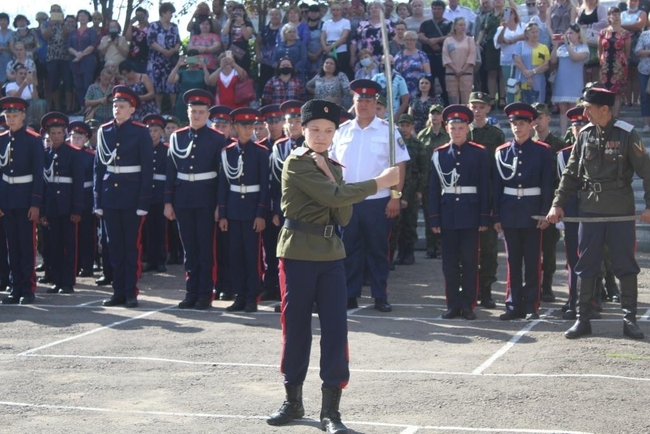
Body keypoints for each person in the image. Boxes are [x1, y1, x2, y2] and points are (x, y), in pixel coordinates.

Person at [266, 98, 399, 432]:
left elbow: (342, 213)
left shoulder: (335, 166)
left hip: (330, 255)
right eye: (315, 130)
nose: (321, 136)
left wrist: (338, 183)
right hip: (297, 253)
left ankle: (331, 412)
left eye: (328, 131)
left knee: (336, 332)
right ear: (302, 129)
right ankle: (293, 401)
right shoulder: (296, 162)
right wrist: (379, 182)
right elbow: (337, 199)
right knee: (296, 329)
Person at [547, 85, 650, 340]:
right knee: (586, 266)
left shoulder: (628, 134)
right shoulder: (584, 134)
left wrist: (649, 205)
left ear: (604, 109)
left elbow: (647, 172)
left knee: (625, 266)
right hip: (590, 210)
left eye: (589, 109)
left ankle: (629, 320)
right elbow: (570, 173)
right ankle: (583, 319)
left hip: (619, 212)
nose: (586, 113)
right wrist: (557, 203)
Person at [330, 79, 409, 312]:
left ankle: (379, 295)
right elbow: (332, 166)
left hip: (378, 201)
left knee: (378, 250)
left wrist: (395, 196)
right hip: (348, 200)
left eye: (368, 100)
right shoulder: (341, 132)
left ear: (376, 103)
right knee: (348, 249)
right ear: (352, 103)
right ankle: (350, 294)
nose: (363, 105)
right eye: (359, 100)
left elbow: (399, 166)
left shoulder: (389, 130)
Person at [164, 90, 226, 310]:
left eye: (201, 112)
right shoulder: (177, 137)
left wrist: (220, 206)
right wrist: (168, 201)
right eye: (193, 111)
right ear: (187, 112)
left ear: (208, 113)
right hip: (183, 199)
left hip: (206, 199)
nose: (197, 115)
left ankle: (204, 293)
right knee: (189, 249)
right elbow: (170, 171)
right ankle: (191, 292)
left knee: (205, 248)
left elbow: (222, 176)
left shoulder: (218, 138)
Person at [94, 85, 154, 308]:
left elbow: (147, 170)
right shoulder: (104, 131)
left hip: (131, 196)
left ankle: (130, 292)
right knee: (113, 246)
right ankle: (117, 291)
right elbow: (99, 168)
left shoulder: (140, 132)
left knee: (131, 246)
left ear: (132, 110)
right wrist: (97, 200)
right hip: (110, 196)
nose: (117, 109)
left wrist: (143, 201)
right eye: (115, 106)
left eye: (122, 106)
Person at [494, 103, 553, 320]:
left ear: (531, 124)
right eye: (514, 124)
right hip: (510, 211)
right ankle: (513, 304)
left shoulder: (542, 151)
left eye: (522, 123)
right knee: (513, 260)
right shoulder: (502, 152)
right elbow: (497, 186)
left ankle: (531, 304)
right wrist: (496, 215)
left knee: (532, 260)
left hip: (532, 212)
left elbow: (548, 185)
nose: (517, 128)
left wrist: (545, 212)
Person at [429, 105, 489, 320]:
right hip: (447, 215)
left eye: (460, 128)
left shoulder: (479, 153)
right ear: (447, 128)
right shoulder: (439, 154)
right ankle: (452, 304)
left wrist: (484, 217)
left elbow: (485, 186)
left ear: (467, 128)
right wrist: (434, 217)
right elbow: (434, 188)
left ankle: (468, 304)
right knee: (450, 263)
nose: (456, 132)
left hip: (471, 213)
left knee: (471, 262)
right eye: (453, 128)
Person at [217, 108, 270, 313]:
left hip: (252, 210)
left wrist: (260, 214)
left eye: (251, 125)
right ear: (236, 128)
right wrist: (222, 213)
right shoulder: (228, 152)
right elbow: (223, 184)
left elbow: (265, 186)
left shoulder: (261, 152)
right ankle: (239, 295)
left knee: (251, 256)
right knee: (235, 255)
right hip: (233, 209)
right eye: (243, 126)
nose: (248, 129)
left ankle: (251, 296)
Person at [0, 97, 44, 305]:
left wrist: (35, 203)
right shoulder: (1, 139)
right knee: (11, 246)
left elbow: (38, 173)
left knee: (26, 247)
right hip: (6, 200)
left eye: (15, 115)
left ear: (24, 116)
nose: (11, 119)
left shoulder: (33, 139)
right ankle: (15, 286)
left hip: (26, 200)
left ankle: (27, 288)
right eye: (8, 116)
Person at [467, 91, 505, 308]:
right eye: (474, 106)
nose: (477, 110)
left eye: (481, 106)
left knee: (489, 249)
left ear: (488, 109)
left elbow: (498, 170)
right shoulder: (463, 132)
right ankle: (470, 288)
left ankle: (487, 290)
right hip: (467, 198)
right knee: (468, 248)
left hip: (488, 196)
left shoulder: (496, 135)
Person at [40, 112, 84, 295]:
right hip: (51, 207)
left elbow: (78, 183)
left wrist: (76, 208)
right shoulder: (45, 155)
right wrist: (42, 210)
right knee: (53, 245)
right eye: (53, 133)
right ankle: (57, 280)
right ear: (48, 135)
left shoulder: (73, 154)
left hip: (67, 206)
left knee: (69, 245)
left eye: (59, 133)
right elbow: (42, 184)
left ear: (64, 134)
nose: (56, 136)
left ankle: (68, 282)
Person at [531, 102, 566, 304]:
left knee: (550, 247)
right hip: (532, 202)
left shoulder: (558, 145)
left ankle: (547, 286)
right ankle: (534, 284)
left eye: (540, 117)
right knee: (532, 247)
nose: (537, 122)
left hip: (552, 201)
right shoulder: (528, 142)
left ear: (548, 118)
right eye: (534, 118)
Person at [556, 106, 587, 320]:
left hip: (594, 209)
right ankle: (573, 299)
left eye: (582, 125)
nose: (578, 129)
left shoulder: (597, 150)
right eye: (575, 126)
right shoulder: (563, 155)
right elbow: (560, 184)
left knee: (591, 258)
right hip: (572, 210)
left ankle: (591, 300)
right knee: (572, 258)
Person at [258, 104, 285, 302]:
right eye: (270, 122)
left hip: (284, 206)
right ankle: (269, 285)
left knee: (284, 248)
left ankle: (282, 285)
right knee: (267, 248)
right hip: (263, 204)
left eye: (277, 121)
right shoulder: (260, 148)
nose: (274, 125)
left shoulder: (288, 146)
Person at [392, 113, 427, 266]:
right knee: (396, 224)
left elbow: (424, 170)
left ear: (412, 127)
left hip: (412, 188)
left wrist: (420, 190)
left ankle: (409, 252)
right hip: (397, 186)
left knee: (410, 223)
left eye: (407, 125)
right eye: (402, 125)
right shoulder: (394, 144)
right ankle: (399, 253)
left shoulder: (418, 145)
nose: (404, 128)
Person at [418, 104, 449, 259]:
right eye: (432, 114)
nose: (435, 116)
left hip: (446, 180)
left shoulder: (448, 135)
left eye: (438, 114)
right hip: (428, 180)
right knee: (430, 213)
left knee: (445, 213)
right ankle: (431, 248)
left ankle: (444, 247)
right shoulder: (422, 135)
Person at [68, 121, 96, 278]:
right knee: (70, 234)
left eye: (79, 137)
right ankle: (74, 264)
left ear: (86, 138)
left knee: (86, 233)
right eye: (73, 136)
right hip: (68, 196)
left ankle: (87, 265)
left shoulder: (91, 155)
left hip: (86, 197)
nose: (75, 139)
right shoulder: (66, 153)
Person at [550, 24, 589, 135]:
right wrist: (555, 46)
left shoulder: (583, 48)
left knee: (573, 109)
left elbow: (575, 57)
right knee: (563, 110)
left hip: (575, 82)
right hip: (562, 81)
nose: (568, 35)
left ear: (578, 35)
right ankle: (563, 134)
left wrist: (567, 44)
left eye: (571, 33)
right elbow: (553, 61)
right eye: (567, 33)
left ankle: (574, 134)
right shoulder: (562, 48)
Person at [142, 114, 168, 274]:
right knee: (147, 229)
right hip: (146, 194)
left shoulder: (166, 150)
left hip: (160, 193)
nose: (152, 133)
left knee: (160, 229)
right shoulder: (142, 149)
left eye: (156, 130)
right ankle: (149, 259)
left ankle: (160, 260)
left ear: (161, 132)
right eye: (150, 130)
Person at [147, 2, 181, 110]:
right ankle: (158, 109)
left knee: (172, 86)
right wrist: (163, 50)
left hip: (171, 61)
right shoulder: (154, 25)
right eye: (170, 13)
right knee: (157, 86)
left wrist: (174, 50)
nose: (171, 15)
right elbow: (150, 41)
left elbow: (178, 42)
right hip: (156, 61)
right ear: (163, 13)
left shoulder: (174, 27)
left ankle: (174, 108)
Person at [598, 7, 631, 116]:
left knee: (617, 93)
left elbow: (627, 52)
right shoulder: (603, 32)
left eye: (618, 14)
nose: (617, 17)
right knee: (605, 92)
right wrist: (602, 62)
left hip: (619, 66)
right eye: (614, 15)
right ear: (609, 17)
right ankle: (605, 116)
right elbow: (600, 50)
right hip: (606, 65)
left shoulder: (625, 33)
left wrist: (622, 64)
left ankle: (614, 118)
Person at [418, 1, 452, 106]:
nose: (436, 11)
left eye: (439, 9)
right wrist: (430, 42)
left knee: (444, 84)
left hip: (442, 58)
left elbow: (450, 36)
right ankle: (429, 105)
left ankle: (446, 106)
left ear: (443, 10)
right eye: (434, 8)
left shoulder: (449, 23)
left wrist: (436, 40)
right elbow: (420, 36)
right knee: (429, 82)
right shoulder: (426, 23)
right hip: (428, 58)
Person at [67, 10, 98, 114]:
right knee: (78, 85)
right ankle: (81, 107)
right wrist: (76, 54)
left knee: (87, 85)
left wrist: (81, 55)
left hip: (87, 61)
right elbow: (69, 46)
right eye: (81, 15)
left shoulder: (92, 31)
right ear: (78, 18)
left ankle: (89, 108)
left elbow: (93, 45)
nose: (83, 17)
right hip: (75, 62)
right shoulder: (72, 32)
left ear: (88, 18)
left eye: (85, 16)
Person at [494, 5, 525, 105]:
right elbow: (499, 42)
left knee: (523, 83)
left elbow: (527, 35)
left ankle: (523, 105)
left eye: (511, 12)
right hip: (507, 60)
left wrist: (512, 40)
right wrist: (504, 28)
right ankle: (511, 105)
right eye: (505, 13)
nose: (509, 15)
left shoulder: (522, 25)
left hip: (522, 59)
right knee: (510, 84)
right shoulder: (500, 29)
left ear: (515, 15)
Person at [513, 22, 550, 104]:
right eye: (532, 32)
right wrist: (527, 74)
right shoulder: (520, 45)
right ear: (526, 33)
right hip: (522, 78)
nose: (535, 34)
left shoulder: (543, 47)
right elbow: (517, 61)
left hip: (538, 79)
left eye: (537, 31)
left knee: (538, 104)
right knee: (522, 104)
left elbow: (546, 64)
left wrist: (533, 72)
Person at [442, 18, 476, 104]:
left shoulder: (469, 40)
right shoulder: (448, 40)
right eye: (460, 25)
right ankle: (454, 115)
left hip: (466, 73)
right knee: (453, 99)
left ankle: (467, 116)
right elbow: (445, 56)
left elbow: (472, 55)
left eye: (464, 25)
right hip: (451, 73)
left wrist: (463, 69)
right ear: (455, 27)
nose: (463, 27)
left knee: (466, 100)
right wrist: (455, 69)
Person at [168, 54, 210, 123]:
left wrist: (204, 65)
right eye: (191, 59)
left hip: (198, 100)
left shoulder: (202, 72)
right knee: (181, 122)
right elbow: (170, 80)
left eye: (194, 59)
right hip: (183, 101)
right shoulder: (182, 72)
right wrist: (178, 65)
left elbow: (208, 82)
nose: (192, 61)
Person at [621, 0, 647, 107]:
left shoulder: (642, 13)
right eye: (630, 0)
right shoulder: (622, 13)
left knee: (635, 73)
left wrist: (623, 26)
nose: (632, 2)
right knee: (625, 73)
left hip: (637, 42)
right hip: (623, 43)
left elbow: (639, 25)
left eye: (635, 1)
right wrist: (631, 26)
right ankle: (627, 100)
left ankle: (636, 100)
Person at [395, 30, 431, 98]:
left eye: (412, 39)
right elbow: (395, 71)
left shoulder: (422, 55)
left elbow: (428, 74)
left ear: (415, 41)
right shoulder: (399, 55)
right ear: (404, 41)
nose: (409, 42)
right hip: (402, 88)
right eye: (407, 39)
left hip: (418, 87)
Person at [255, 8, 283, 95]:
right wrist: (258, 55)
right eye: (272, 14)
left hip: (280, 61)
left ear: (280, 16)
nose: (274, 16)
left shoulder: (285, 28)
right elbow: (257, 42)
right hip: (266, 61)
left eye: (276, 14)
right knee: (265, 84)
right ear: (269, 16)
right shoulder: (265, 30)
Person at [321, 2, 352, 78]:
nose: (335, 12)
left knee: (340, 73)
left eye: (338, 10)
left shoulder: (346, 22)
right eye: (333, 10)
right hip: (328, 52)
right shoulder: (326, 23)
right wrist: (325, 47)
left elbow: (344, 37)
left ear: (341, 11)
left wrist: (331, 47)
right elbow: (322, 37)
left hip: (340, 51)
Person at [221, 3, 255, 72]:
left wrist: (242, 23)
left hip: (243, 53)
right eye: (236, 10)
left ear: (244, 12)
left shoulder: (247, 23)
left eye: (240, 10)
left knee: (242, 73)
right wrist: (230, 20)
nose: (238, 12)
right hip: (230, 52)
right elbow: (224, 33)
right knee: (230, 72)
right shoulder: (230, 22)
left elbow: (247, 37)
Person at [124, 7, 150, 74]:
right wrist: (130, 23)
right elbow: (128, 38)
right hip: (133, 58)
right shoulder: (134, 28)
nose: (140, 17)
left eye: (141, 15)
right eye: (138, 15)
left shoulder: (151, 27)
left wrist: (146, 21)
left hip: (145, 58)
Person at [0, 13, 12, 84]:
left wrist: (4, 48)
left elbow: (14, 47)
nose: (3, 22)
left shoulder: (12, 33)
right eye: (1, 20)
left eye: (4, 20)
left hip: (9, 59)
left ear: (8, 21)